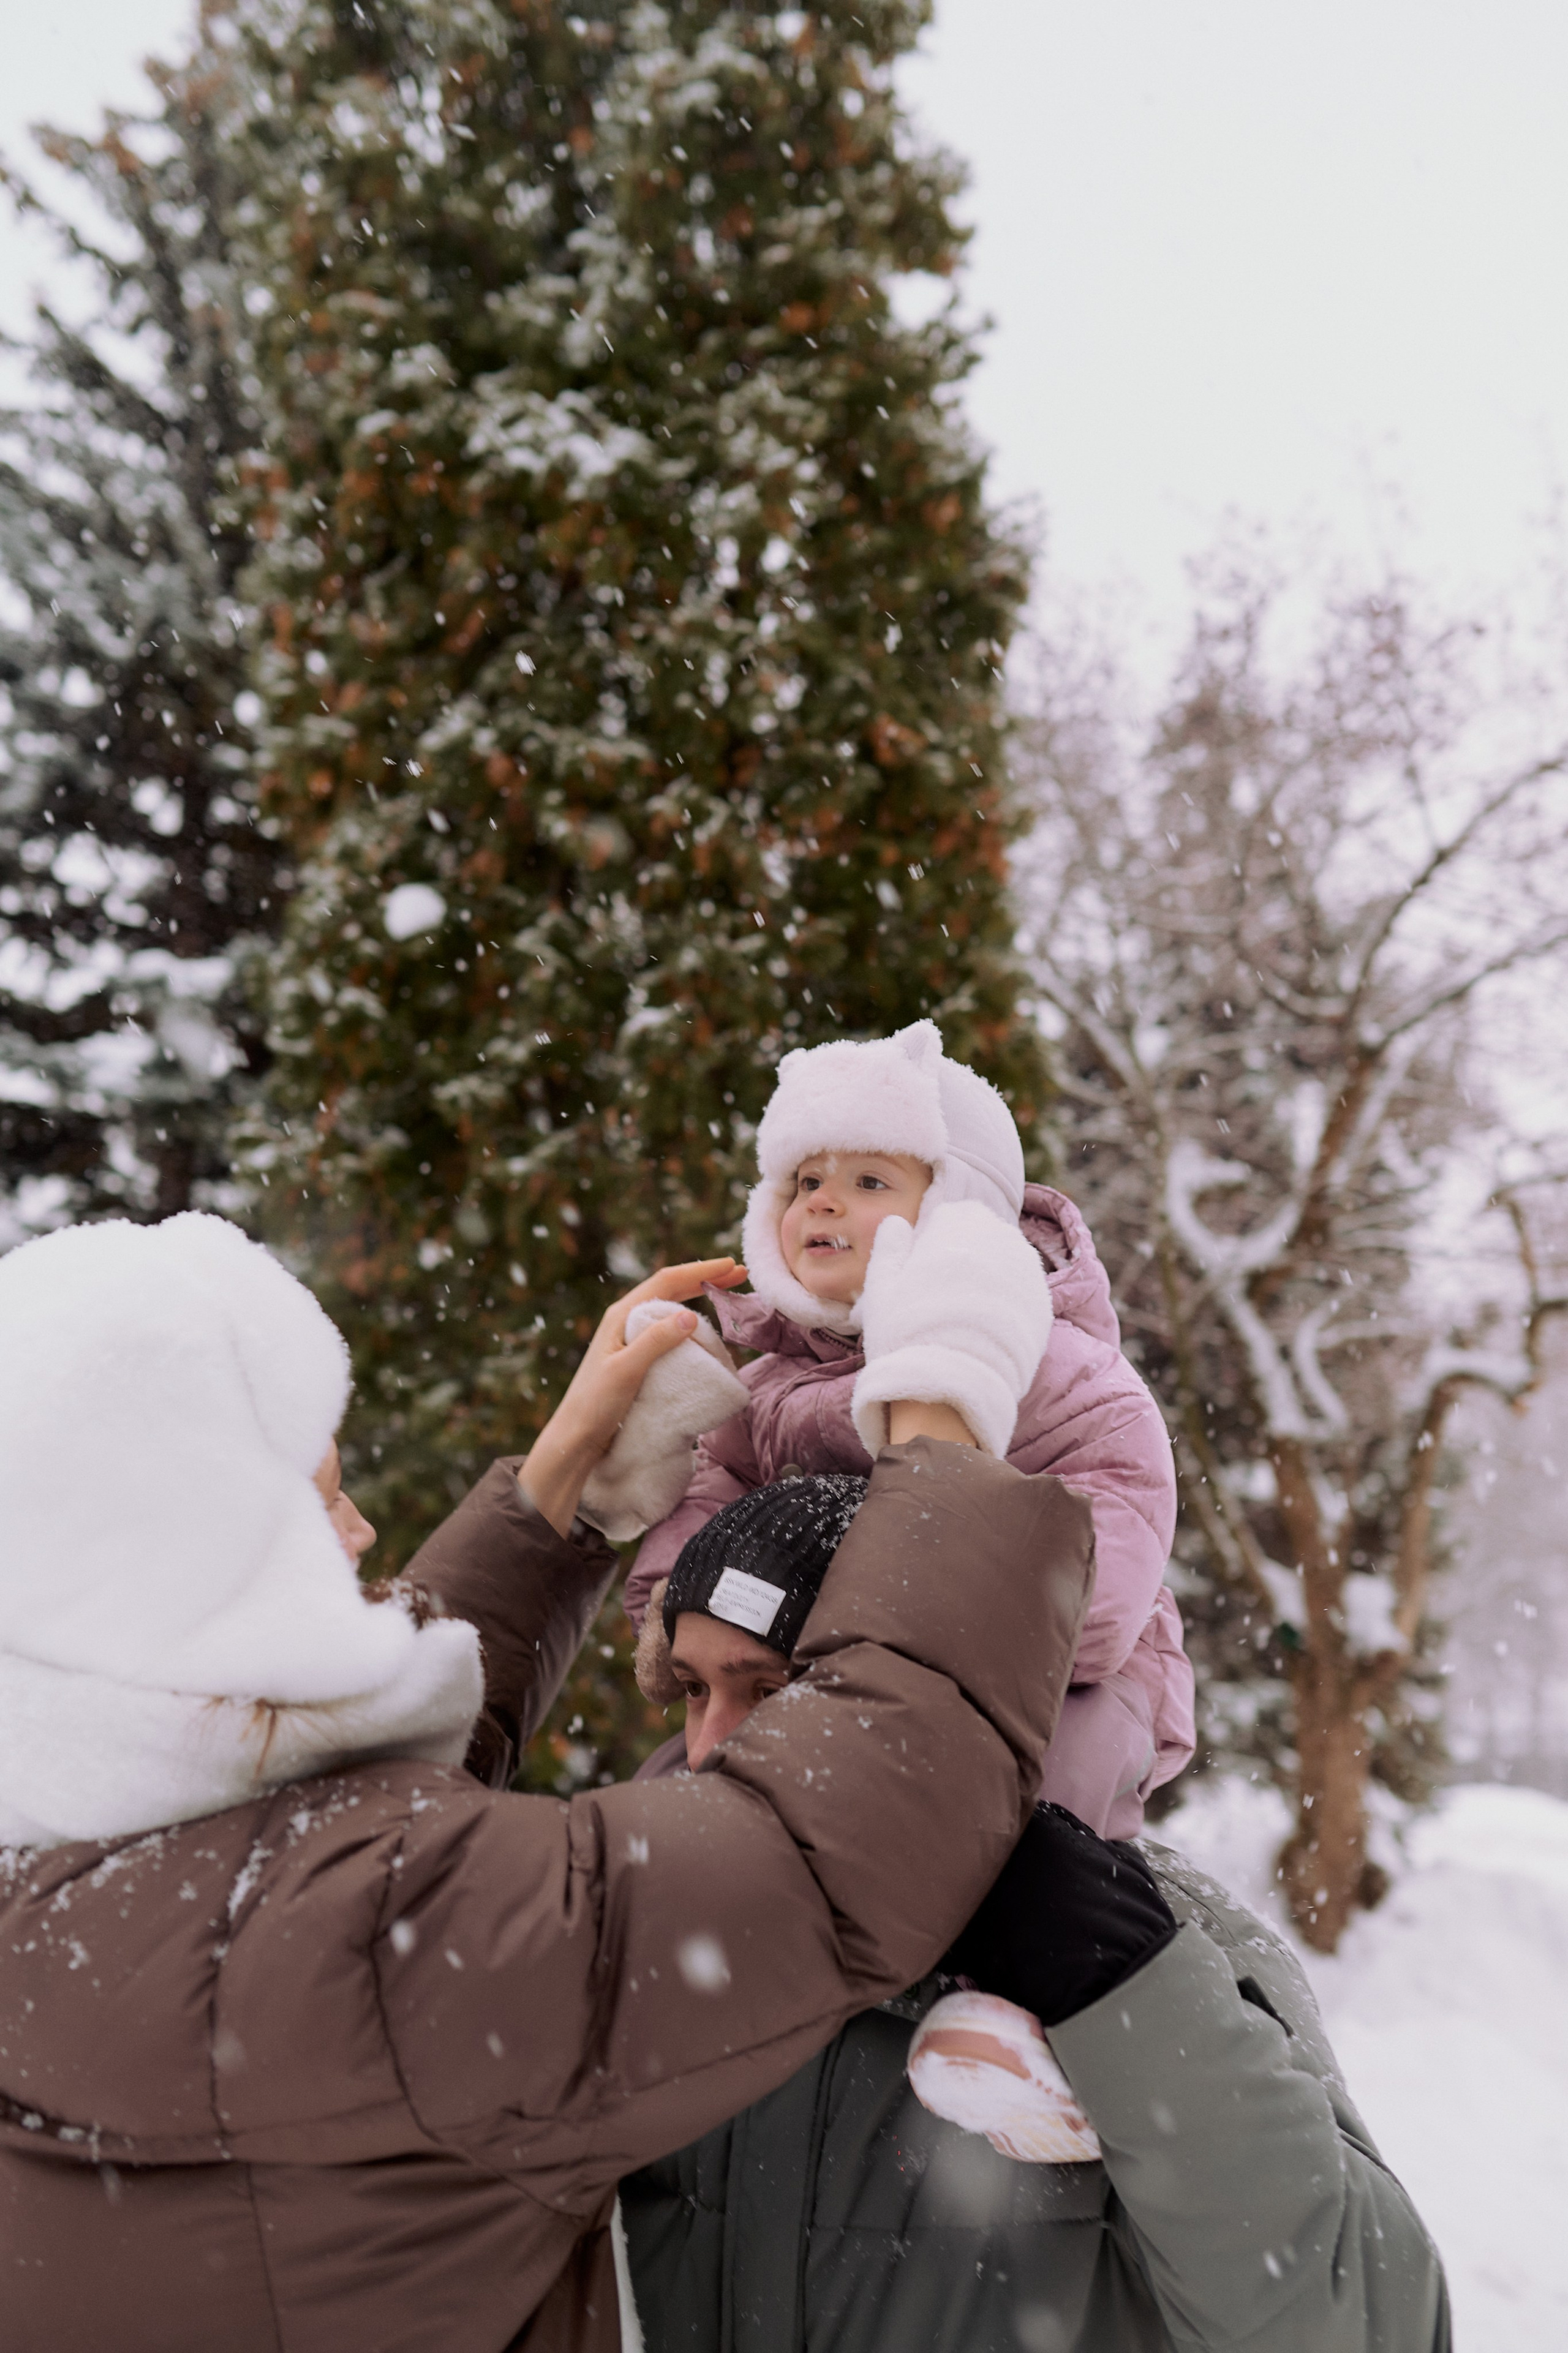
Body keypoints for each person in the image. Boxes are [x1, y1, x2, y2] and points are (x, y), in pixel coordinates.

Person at [0, 1209, 1095, 2353]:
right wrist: (944, 1421)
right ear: (209, 1567)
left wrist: (558, 1489)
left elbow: (284, 1809)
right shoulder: (387, 1939)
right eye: (320, 1503)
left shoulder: (58, 1858)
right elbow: (831, 1848)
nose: (365, 1528)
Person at [618, 1516, 1452, 2353]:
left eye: (766, 1689)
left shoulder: (1157, 1935)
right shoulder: (653, 1935)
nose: (708, 1747)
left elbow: (1365, 2327)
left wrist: (1125, 1992)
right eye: (694, 1689)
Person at [618, 1020, 1194, 1845]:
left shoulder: (1063, 1374)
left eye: (868, 1178)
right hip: (817, 1680)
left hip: (1061, 1680)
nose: (822, 1199)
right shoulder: (768, 1386)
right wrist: (681, 1609)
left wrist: (887, 1614)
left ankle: (1033, 1966)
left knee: (1035, 1807)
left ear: (957, 1206)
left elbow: (1104, 1577)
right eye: (806, 1177)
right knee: (674, 1791)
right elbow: (707, 1500)